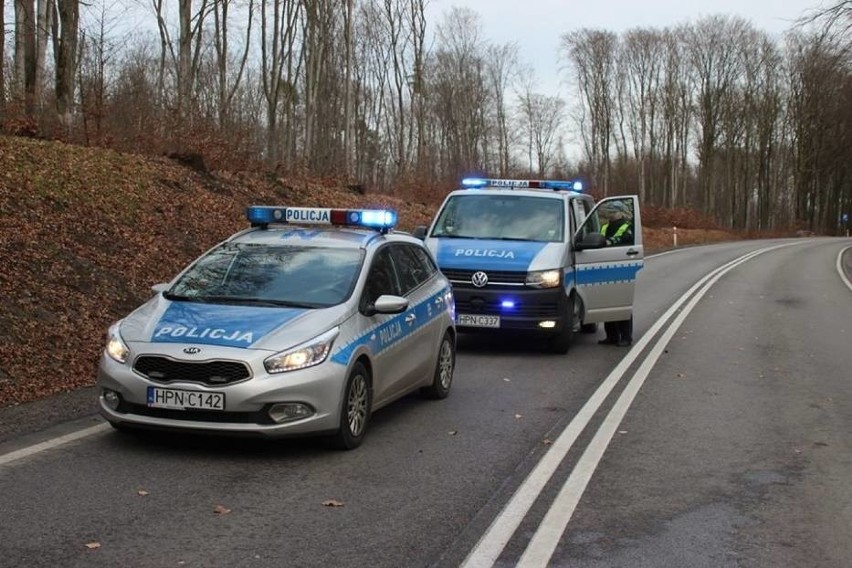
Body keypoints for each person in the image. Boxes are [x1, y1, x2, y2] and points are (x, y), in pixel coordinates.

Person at [598, 201, 634, 347]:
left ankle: (626, 336)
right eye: (609, 211)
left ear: (620, 212)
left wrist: (608, 242)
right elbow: (598, 240)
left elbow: (623, 239)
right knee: (607, 303)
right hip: (604, 266)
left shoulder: (626, 226)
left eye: (613, 211)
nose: (610, 214)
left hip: (620, 266)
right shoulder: (605, 226)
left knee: (621, 302)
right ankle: (611, 336)